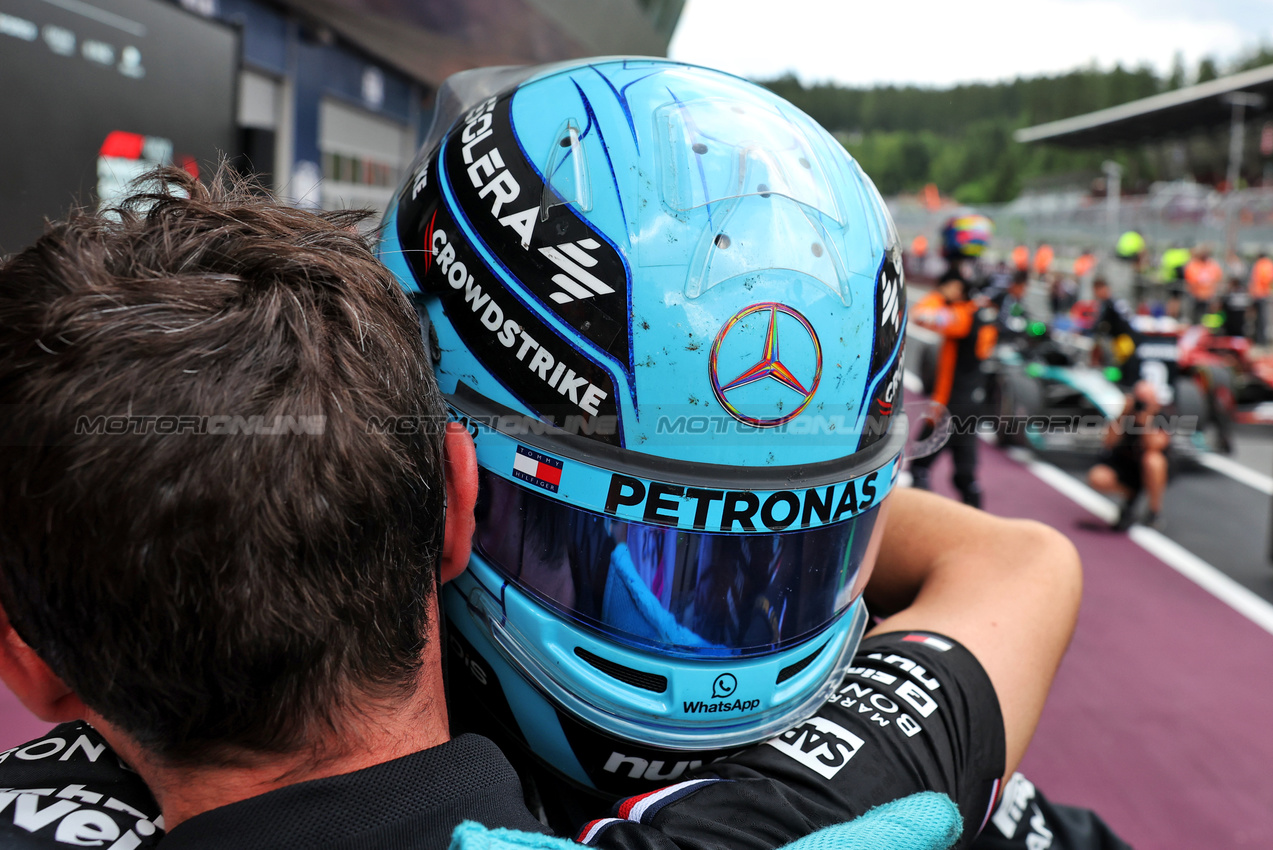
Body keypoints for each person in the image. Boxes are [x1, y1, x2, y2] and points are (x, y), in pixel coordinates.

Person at [0, 63, 1088, 850]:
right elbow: (1025, 567)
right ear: (447, 485)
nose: (711, 647)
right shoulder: (896, 802)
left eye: (795, 555)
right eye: (629, 551)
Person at [910, 268, 997, 507]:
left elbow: (920, 315)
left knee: (919, 467)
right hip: (972, 405)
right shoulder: (986, 316)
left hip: (949, 405)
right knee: (965, 476)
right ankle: (978, 522)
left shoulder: (963, 316)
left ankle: (918, 523)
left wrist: (940, 294)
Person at [1087, 381, 1170, 531]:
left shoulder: (1161, 417)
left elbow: (1155, 445)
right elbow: (1108, 442)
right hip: (1125, 467)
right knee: (1097, 477)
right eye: (1139, 399)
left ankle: (1154, 511)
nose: (1141, 404)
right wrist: (1123, 414)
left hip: (1148, 471)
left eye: (1145, 400)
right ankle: (1131, 497)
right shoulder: (1125, 416)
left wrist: (1146, 421)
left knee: (1153, 460)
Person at [1184, 245, 1223, 324]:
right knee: (1195, 316)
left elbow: (1218, 277)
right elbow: (1190, 278)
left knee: (1209, 317)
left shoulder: (1212, 264)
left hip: (1209, 296)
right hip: (1196, 296)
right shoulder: (1193, 264)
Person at [1249, 252, 1272, 344]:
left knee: (1260, 319)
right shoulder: (1266, 264)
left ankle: (1260, 340)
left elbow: (1264, 279)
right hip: (1261, 294)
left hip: (1259, 294)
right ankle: (1260, 340)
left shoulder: (1262, 264)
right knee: (1260, 319)